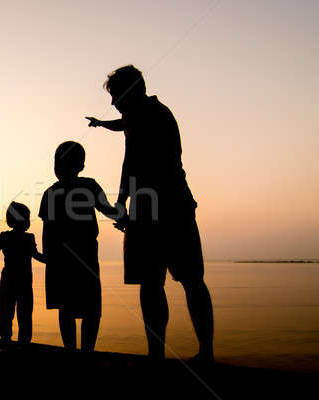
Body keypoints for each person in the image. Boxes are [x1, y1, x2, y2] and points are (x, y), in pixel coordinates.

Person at [86, 65, 214, 363]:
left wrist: (121, 203)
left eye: (115, 95)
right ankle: (196, 352)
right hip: (166, 204)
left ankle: (166, 353)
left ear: (130, 91)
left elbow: (131, 162)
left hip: (163, 207)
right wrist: (103, 124)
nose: (113, 102)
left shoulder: (147, 115)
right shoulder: (145, 113)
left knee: (168, 282)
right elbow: (122, 124)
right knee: (175, 281)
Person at [39, 141, 121, 351]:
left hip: (65, 256)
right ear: (81, 166)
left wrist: (48, 255)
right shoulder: (88, 185)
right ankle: (85, 351)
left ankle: (74, 351)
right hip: (80, 254)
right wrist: (124, 218)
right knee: (88, 308)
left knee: (71, 308)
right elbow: (107, 210)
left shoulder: (52, 192)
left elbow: (47, 229)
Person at [0, 202, 45, 344]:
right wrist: (53, 258)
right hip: (24, 281)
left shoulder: (5, 236)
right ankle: (24, 341)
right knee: (25, 313)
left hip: (8, 279)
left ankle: (6, 340)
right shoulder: (29, 238)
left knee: (6, 312)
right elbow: (38, 256)